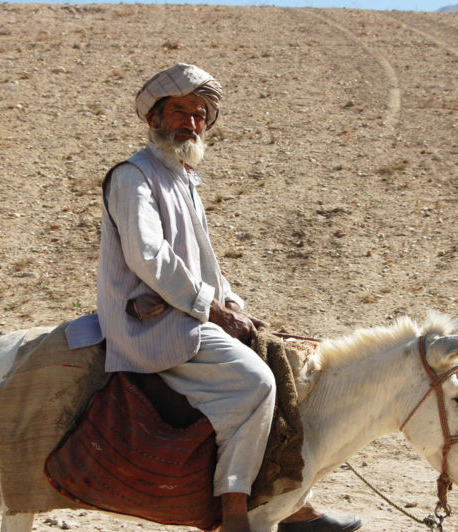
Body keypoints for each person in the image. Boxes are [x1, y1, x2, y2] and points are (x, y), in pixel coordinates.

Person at [97, 63, 361, 532]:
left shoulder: (183, 180)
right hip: (151, 323)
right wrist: (212, 310)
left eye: (200, 115)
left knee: (285, 360)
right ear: (154, 117)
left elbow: (206, 265)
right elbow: (148, 257)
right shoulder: (133, 176)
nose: (192, 123)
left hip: (189, 312)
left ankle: (291, 500)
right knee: (257, 382)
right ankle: (234, 512)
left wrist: (236, 306)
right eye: (181, 111)